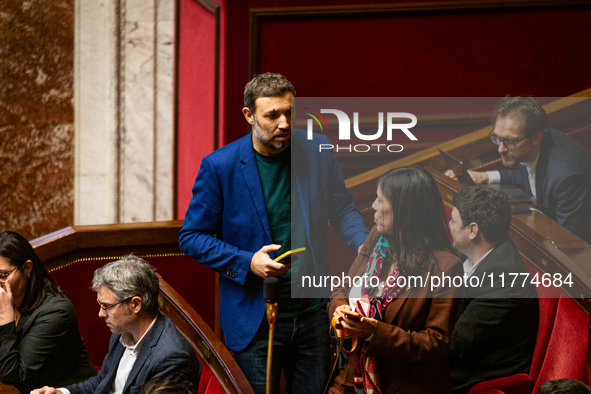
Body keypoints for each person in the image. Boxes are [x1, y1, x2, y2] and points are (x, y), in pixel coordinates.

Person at [179, 72, 368, 394]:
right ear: (249, 115)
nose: (284, 123)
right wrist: (247, 261)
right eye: (272, 115)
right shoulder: (219, 166)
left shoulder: (317, 149)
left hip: (313, 314)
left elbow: (343, 210)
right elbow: (192, 237)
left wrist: (367, 244)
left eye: (290, 112)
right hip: (254, 321)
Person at [327, 166, 463, 394]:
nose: (373, 207)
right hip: (349, 374)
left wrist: (373, 332)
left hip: (399, 384)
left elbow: (435, 342)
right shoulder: (376, 237)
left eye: (381, 200)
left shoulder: (446, 267)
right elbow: (342, 288)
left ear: (405, 210)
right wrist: (340, 311)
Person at [31, 255, 201, 394]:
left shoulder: (172, 356)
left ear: (135, 304)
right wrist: (61, 393)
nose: (100, 314)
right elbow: (103, 381)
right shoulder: (121, 332)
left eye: (107, 306)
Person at [445, 96, 591, 244]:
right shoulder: (527, 143)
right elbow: (527, 175)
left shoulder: (567, 177)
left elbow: (570, 244)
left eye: (509, 141)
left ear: (535, 138)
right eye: (497, 138)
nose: (500, 149)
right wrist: (483, 176)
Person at [447, 186, 539, 394]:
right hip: (462, 359)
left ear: (472, 231)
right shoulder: (472, 254)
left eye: (453, 221)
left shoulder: (504, 278)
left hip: (475, 376)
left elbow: (457, 345)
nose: (449, 225)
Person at [0, 231, 96, 393]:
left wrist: (5, 321)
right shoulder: (7, 299)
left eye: (3, 275)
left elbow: (13, 374)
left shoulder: (56, 312)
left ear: (27, 268)